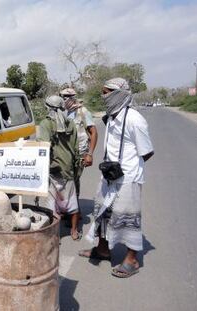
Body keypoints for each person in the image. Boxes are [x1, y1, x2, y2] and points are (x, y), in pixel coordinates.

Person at [79, 78, 154, 278]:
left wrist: (128, 168)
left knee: (128, 219)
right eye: (102, 92)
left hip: (127, 178)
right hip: (109, 176)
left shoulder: (134, 119)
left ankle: (132, 259)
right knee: (102, 212)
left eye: (107, 92)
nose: (104, 97)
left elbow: (146, 152)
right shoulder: (111, 117)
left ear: (119, 94)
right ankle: (102, 249)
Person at [37, 95, 82, 240]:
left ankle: (54, 235)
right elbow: (76, 147)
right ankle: (74, 231)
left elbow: (43, 146)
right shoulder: (70, 123)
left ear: (48, 107)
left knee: (52, 204)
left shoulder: (46, 124)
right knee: (72, 200)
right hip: (68, 168)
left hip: (53, 168)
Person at [60, 88, 98, 198]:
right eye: (62, 97)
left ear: (72, 98)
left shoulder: (83, 112)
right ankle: (71, 208)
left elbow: (94, 132)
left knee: (73, 179)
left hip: (80, 153)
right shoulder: (64, 112)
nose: (64, 100)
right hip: (66, 153)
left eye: (66, 97)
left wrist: (89, 154)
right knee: (68, 180)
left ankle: (75, 210)